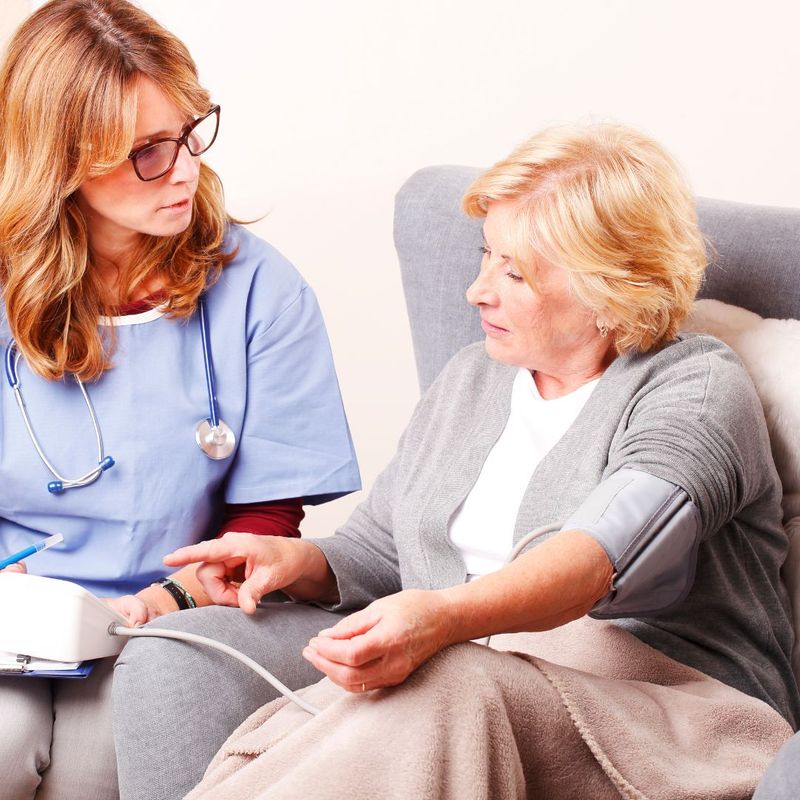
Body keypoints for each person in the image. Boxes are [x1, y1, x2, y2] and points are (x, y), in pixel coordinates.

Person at [114, 123, 797, 800]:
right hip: (472, 701)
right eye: (484, 256)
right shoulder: (474, 377)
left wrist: (444, 620)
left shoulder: (696, 386)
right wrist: (302, 565)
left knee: (449, 675)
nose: (477, 291)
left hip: (668, 720)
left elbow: (597, 558)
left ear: (609, 286)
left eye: (515, 271)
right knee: (432, 682)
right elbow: (382, 552)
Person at [0, 1, 360, 798]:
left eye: (190, 133)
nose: (186, 168)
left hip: (166, 615)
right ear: (60, 162)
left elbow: (267, 520)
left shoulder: (261, 290)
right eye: (145, 154)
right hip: (12, 618)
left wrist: (175, 596)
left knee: (102, 767)